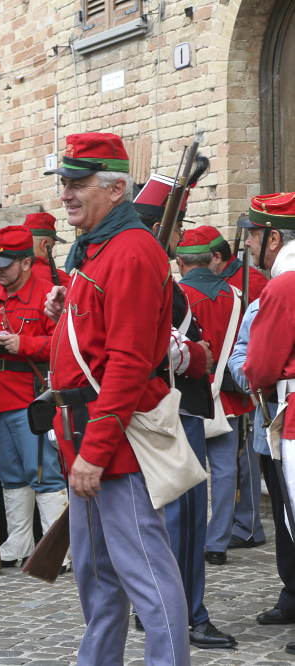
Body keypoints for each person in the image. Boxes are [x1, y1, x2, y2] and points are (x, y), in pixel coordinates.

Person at [42, 132, 189, 665]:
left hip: (114, 444)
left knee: (147, 579)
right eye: (64, 183)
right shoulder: (98, 249)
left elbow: (127, 364)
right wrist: (67, 307)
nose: (66, 194)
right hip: (85, 436)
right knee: (99, 582)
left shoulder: (128, 251)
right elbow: (99, 342)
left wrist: (96, 452)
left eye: (77, 184)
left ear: (116, 188)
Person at [133, 175, 235, 648]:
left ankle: (155, 605)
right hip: (180, 408)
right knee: (185, 518)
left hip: (153, 407)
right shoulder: (153, 279)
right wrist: (199, 355)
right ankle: (188, 613)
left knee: (161, 517)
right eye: (174, 229)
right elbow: (167, 349)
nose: (177, 242)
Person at [0, 226, 66, 570]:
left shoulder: (48, 293)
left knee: (44, 473)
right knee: (10, 474)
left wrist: (25, 345)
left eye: (5, 264)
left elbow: (63, 346)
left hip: (30, 396)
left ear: (25, 263)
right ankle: (20, 541)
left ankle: (56, 547)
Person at [174, 227, 254, 566]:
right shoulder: (237, 297)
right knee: (225, 471)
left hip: (186, 398)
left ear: (180, 261)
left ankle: (184, 537)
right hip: (228, 400)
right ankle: (217, 542)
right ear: (214, 259)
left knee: (183, 472)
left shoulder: (175, 295)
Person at [240, 192, 295, 656]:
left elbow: (257, 367)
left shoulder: (280, 288)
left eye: (255, 235)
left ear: (273, 238)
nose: (250, 245)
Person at [200, 224, 269, 551]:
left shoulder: (249, 282)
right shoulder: (230, 281)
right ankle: (239, 524)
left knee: (245, 460)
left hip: (242, 380)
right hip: (227, 382)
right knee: (235, 463)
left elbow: (256, 333)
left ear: (216, 258)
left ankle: (249, 525)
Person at [228, 294, 289, 627]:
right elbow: (240, 355)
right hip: (274, 429)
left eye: (254, 235)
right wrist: (256, 379)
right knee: (284, 522)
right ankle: (292, 594)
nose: (250, 242)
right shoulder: (262, 304)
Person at [22, 212, 71, 287]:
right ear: (44, 245)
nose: (51, 252)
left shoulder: (4, 273)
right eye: (52, 247)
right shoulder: (60, 278)